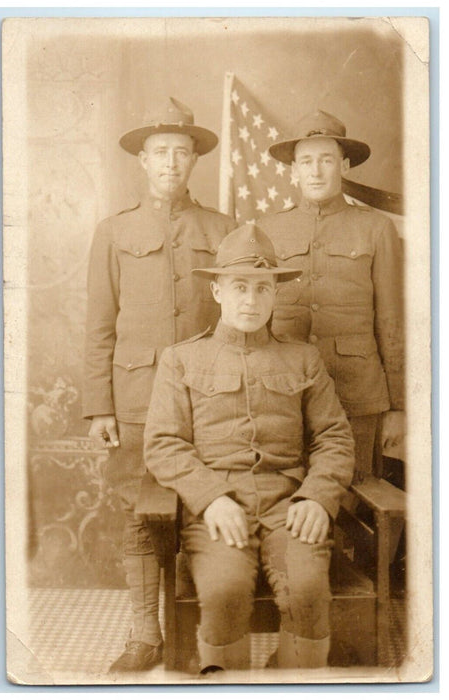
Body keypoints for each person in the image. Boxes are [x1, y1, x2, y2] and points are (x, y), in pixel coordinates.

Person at [143, 224, 355, 672]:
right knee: (223, 594)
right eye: (239, 287)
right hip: (218, 507)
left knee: (309, 594)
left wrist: (318, 497)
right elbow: (164, 443)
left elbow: (334, 438)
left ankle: (294, 681)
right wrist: (211, 498)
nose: (251, 300)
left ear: (275, 295)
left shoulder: (303, 358)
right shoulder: (181, 359)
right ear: (217, 291)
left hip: (289, 504)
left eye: (262, 289)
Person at [82, 97, 235, 673]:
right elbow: (99, 326)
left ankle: (203, 635)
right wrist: (101, 408)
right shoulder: (113, 231)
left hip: (208, 399)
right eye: (160, 152)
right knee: (143, 515)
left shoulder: (223, 229)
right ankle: (145, 634)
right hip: (137, 399)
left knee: (204, 507)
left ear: (194, 159)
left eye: (182, 151)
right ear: (143, 161)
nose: (171, 162)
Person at [259, 110, 405, 481]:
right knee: (289, 503)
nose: (316, 170)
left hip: (357, 394)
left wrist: (397, 406)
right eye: (306, 161)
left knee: (354, 504)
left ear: (345, 164)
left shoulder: (376, 229)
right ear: (293, 170)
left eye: (326, 160)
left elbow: (392, 322)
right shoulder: (268, 229)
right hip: (286, 393)